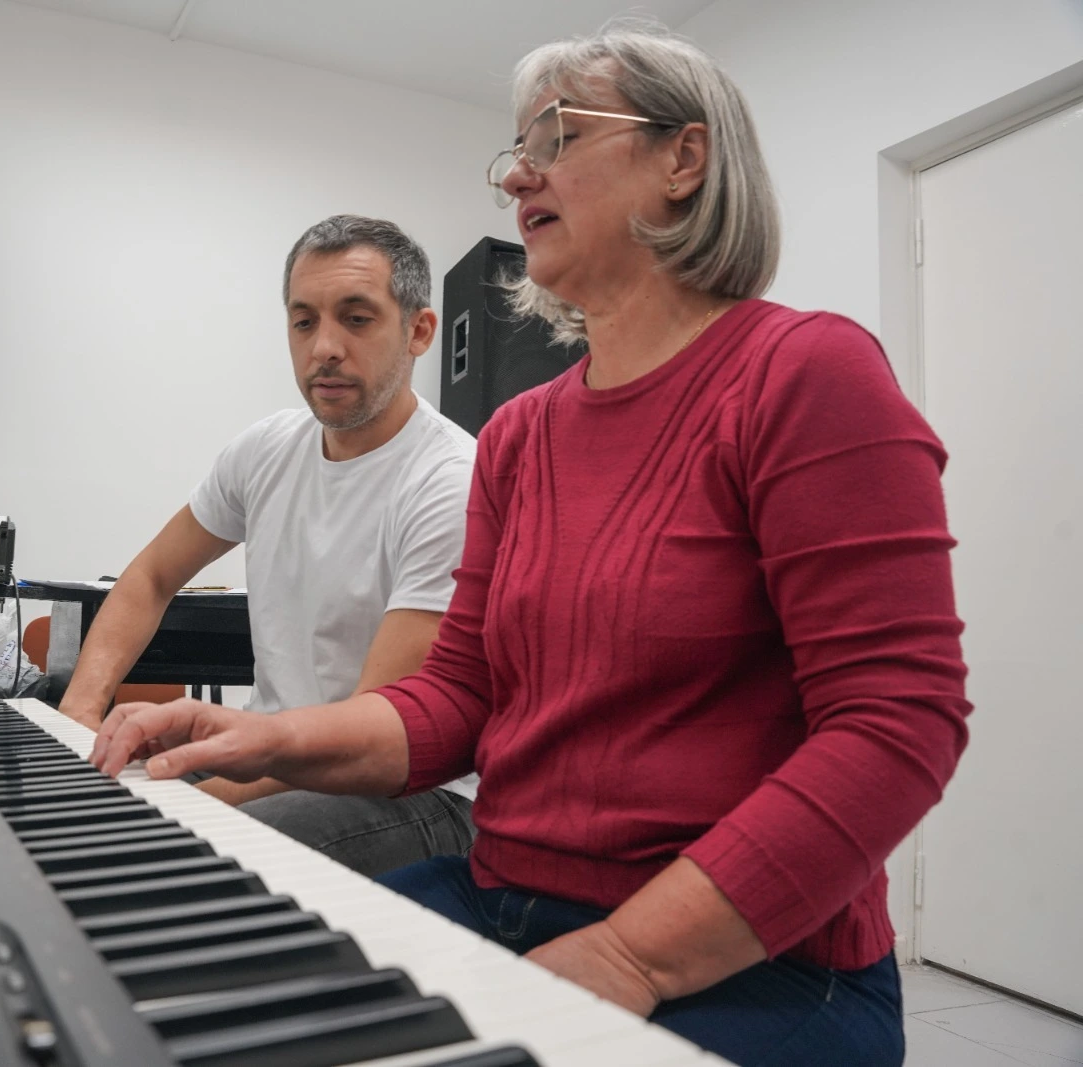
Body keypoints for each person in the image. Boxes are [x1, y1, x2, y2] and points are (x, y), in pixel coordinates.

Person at [89, 24, 971, 1067]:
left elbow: (896, 720)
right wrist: (264, 737)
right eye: (515, 146)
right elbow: (456, 698)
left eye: (555, 134)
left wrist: (634, 956)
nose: (516, 171)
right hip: (502, 895)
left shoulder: (804, 373)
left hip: (757, 960)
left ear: (682, 158)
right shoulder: (519, 433)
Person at [58, 214, 480, 877]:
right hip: (274, 761)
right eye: (304, 320)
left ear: (419, 331)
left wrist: (171, 798)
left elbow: (369, 738)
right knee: (87, 826)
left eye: (357, 318)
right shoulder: (265, 450)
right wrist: (80, 715)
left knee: (160, 861)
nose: (324, 348)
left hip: (410, 791)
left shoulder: (450, 482)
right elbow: (149, 578)